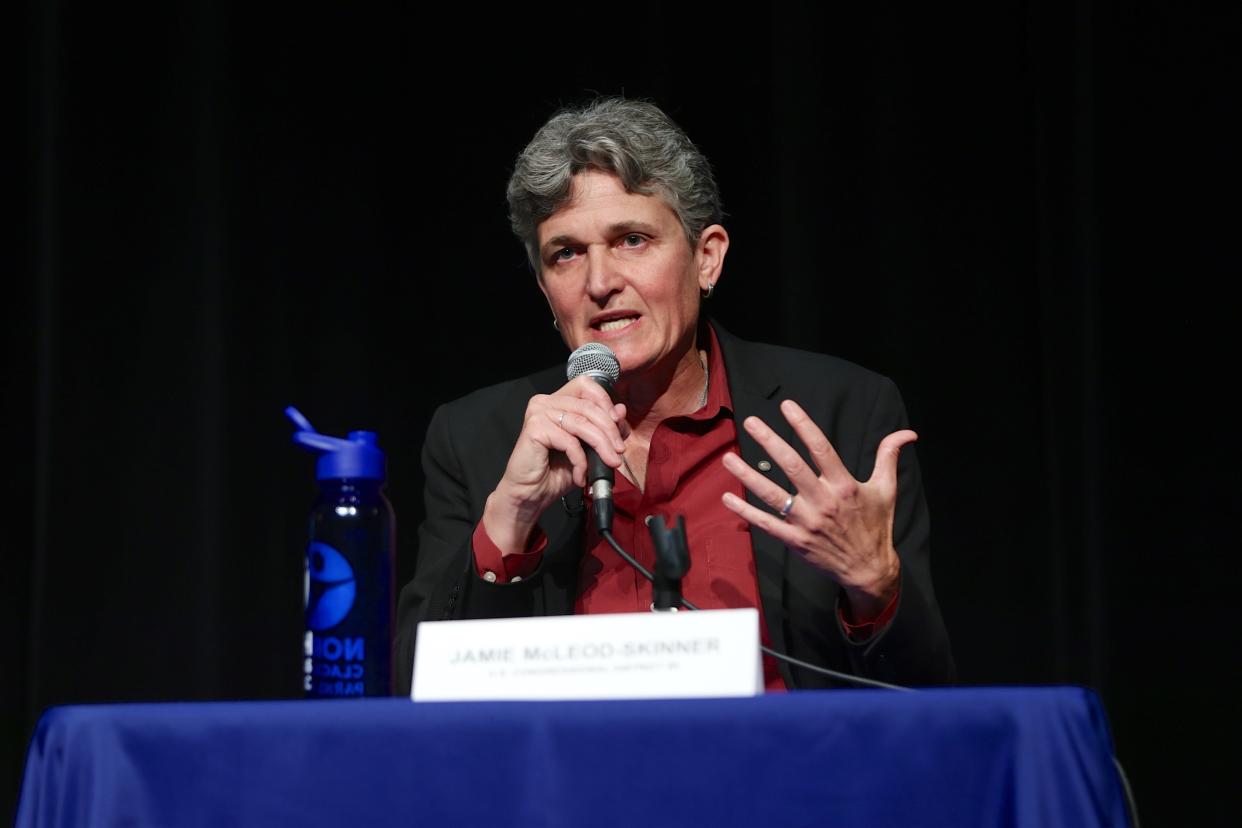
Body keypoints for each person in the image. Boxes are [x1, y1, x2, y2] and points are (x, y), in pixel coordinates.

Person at [394, 98, 953, 693]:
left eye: (632, 239)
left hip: (783, 776)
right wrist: (508, 520)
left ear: (706, 257)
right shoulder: (478, 438)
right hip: (570, 779)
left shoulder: (839, 412)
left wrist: (875, 583)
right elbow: (413, 696)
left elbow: (925, 697)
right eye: (566, 253)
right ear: (543, 287)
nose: (601, 282)